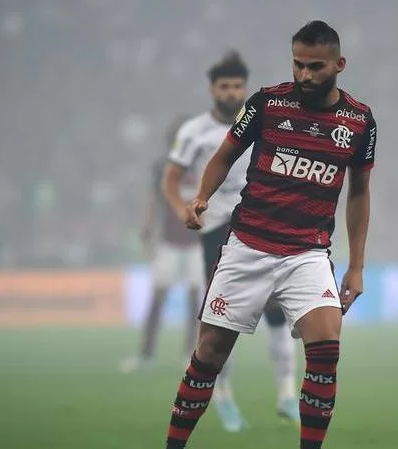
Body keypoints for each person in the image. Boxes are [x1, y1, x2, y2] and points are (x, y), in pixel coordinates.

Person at [164, 20, 375, 449]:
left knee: (326, 348)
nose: (304, 75)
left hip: (307, 253)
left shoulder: (359, 121)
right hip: (247, 246)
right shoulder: (267, 103)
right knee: (208, 354)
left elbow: (359, 193)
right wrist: (201, 197)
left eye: (315, 66)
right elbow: (224, 155)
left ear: (339, 64)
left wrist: (356, 267)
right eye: (298, 64)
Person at [163, 50, 301, 431]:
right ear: (212, 89)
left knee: (277, 309)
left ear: (245, 87)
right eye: (224, 86)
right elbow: (171, 178)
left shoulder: (263, 123)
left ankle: (287, 394)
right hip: (217, 230)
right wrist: (182, 208)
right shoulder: (194, 131)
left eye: (238, 86)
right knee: (222, 319)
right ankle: (223, 397)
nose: (231, 92)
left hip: (261, 225)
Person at [120, 114, 204, 374]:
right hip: (169, 242)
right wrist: (146, 231)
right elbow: (153, 200)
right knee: (158, 298)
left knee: (195, 301)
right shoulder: (163, 167)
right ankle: (146, 354)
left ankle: (190, 355)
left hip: (197, 243)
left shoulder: (204, 165)